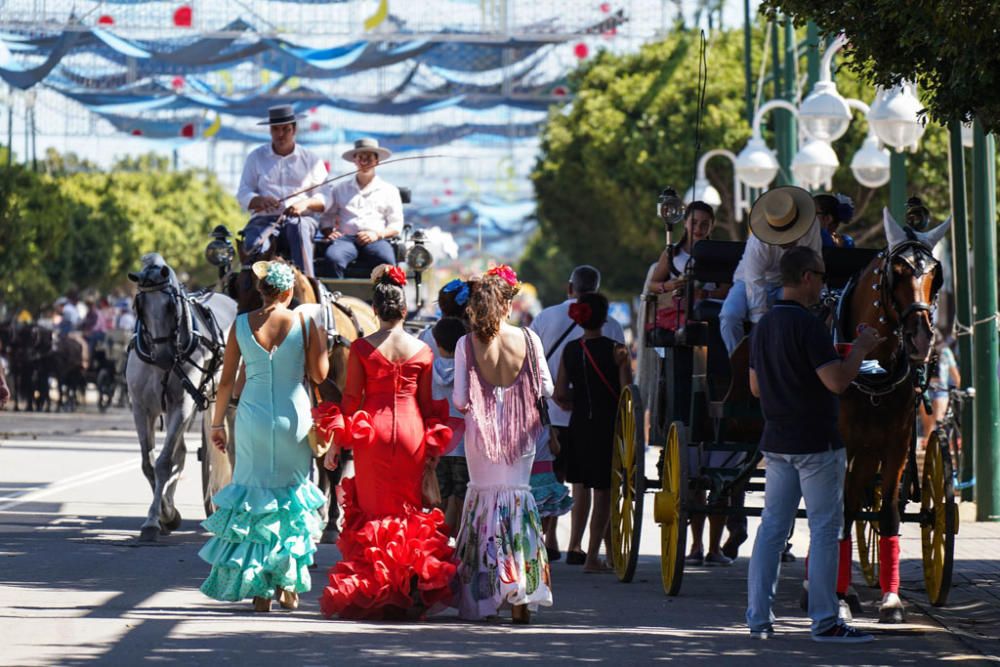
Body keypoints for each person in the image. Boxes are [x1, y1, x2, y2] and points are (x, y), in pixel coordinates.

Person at [746, 245, 882, 643]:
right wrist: (861, 348)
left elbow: (755, 387)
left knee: (772, 528)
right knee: (825, 529)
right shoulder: (809, 328)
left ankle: (758, 618)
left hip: (776, 440)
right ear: (806, 277)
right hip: (816, 443)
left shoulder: (764, 325)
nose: (823, 284)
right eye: (821, 276)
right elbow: (837, 381)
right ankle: (824, 620)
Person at [317, 264, 455, 620]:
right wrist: (433, 451)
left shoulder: (362, 348)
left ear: (375, 310)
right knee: (409, 512)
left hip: (372, 435)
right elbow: (427, 406)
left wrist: (335, 444)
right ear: (404, 311)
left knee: (376, 514)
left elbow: (350, 402)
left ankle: (379, 591)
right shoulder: (423, 352)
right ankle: (408, 587)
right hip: (411, 433)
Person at [199, 260, 329, 612]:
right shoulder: (303, 321)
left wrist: (216, 423)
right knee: (290, 500)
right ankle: (288, 585)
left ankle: (258, 588)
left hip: (252, 418)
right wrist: (319, 338)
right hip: (293, 417)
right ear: (288, 292)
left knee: (254, 499)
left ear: (261, 290)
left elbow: (226, 381)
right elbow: (319, 375)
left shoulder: (241, 324)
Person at [452, 265, 553, 623]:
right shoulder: (528, 339)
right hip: (521, 435)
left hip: (481, 437)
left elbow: (461, 399)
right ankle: (520, 595)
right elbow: (547, 389)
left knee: (483, 504)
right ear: (507, 306)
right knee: (517, 502)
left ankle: (483, 597)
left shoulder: (467, 344)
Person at [644, 201, 735, 565]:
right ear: (687, 224)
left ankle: (713, 546)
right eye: (694, 222)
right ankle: (696, 544)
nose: (698, 227)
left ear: (712, 225)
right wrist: (675, 284)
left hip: (715, 333)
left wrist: (710, 294)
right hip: (682, 332)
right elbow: (653, 284)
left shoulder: (720, 253)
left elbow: (730, 287)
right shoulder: (672, 252)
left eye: (705, 223)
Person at [530, 265, 624, 564]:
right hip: (603, 419)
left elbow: (532, 360)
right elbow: (626, 390)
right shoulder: (614, 330)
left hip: (557, 414)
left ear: (571, 287)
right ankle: (580, 545)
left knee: (556, 477)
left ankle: (551, 538)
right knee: (596, 484)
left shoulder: (546, 318)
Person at [554, 292, 631, 573]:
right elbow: (626, 395)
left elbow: (560, 393)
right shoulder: (617, 350)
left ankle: (594, 550)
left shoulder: (570, 350)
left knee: (582, 487)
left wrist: (579, 398)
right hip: (607, 425)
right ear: (605, 317)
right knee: (604, 493)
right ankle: (592, 557)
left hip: (578, 425)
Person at [720, 186, 822, 356]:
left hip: (790, 284)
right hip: (747, 281)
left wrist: (815, 296)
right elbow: (754, 281)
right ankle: (739, 364)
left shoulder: (812, 228)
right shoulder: (757, 244)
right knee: (728, 316)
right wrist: (760, 324)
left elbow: (814, 263)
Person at [236, 105, 328, 277]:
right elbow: (243, 192)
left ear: (294, 130)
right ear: (270, 131)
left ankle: (308, 284)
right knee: (254, 245)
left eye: (285, 129)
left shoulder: (312, 159)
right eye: (275, 129)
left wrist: (305, 203)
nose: (280, 134)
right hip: (264, 221)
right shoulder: (255, 157)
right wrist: (259, 200)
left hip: (301, 219)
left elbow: (325, 197)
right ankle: (255, 292)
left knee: (298, 230)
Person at [319, 138, 404, 278]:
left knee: (387, 263)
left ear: (377, 161)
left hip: (376, 239)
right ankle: (334, 296)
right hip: (346, 239)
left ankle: (386, 298)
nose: (364, 161)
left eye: (369, 158)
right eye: (360, 157)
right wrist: (328, 231)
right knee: (333, 258)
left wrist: (377, 234)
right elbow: (327, 216)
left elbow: (396, 225)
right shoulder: (339, 189)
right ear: (355, 160)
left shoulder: (389, 190)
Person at [431, 316, 471, 533]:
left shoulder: (429, 369)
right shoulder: (468, 370)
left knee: (440, 496)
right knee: (462, 494)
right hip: (463, 444)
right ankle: (461, 542)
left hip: (438, 441)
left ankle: (438, 541)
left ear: (436, 342)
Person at [920, 335, 961, 452]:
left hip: (941, 388)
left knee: (938, 418)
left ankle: (937, 442)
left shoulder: (945, 352)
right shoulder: (923, 350)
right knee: (927, 419)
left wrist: (958, 386)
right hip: (927, 388)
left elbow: (954, 372)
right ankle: (928, 441)